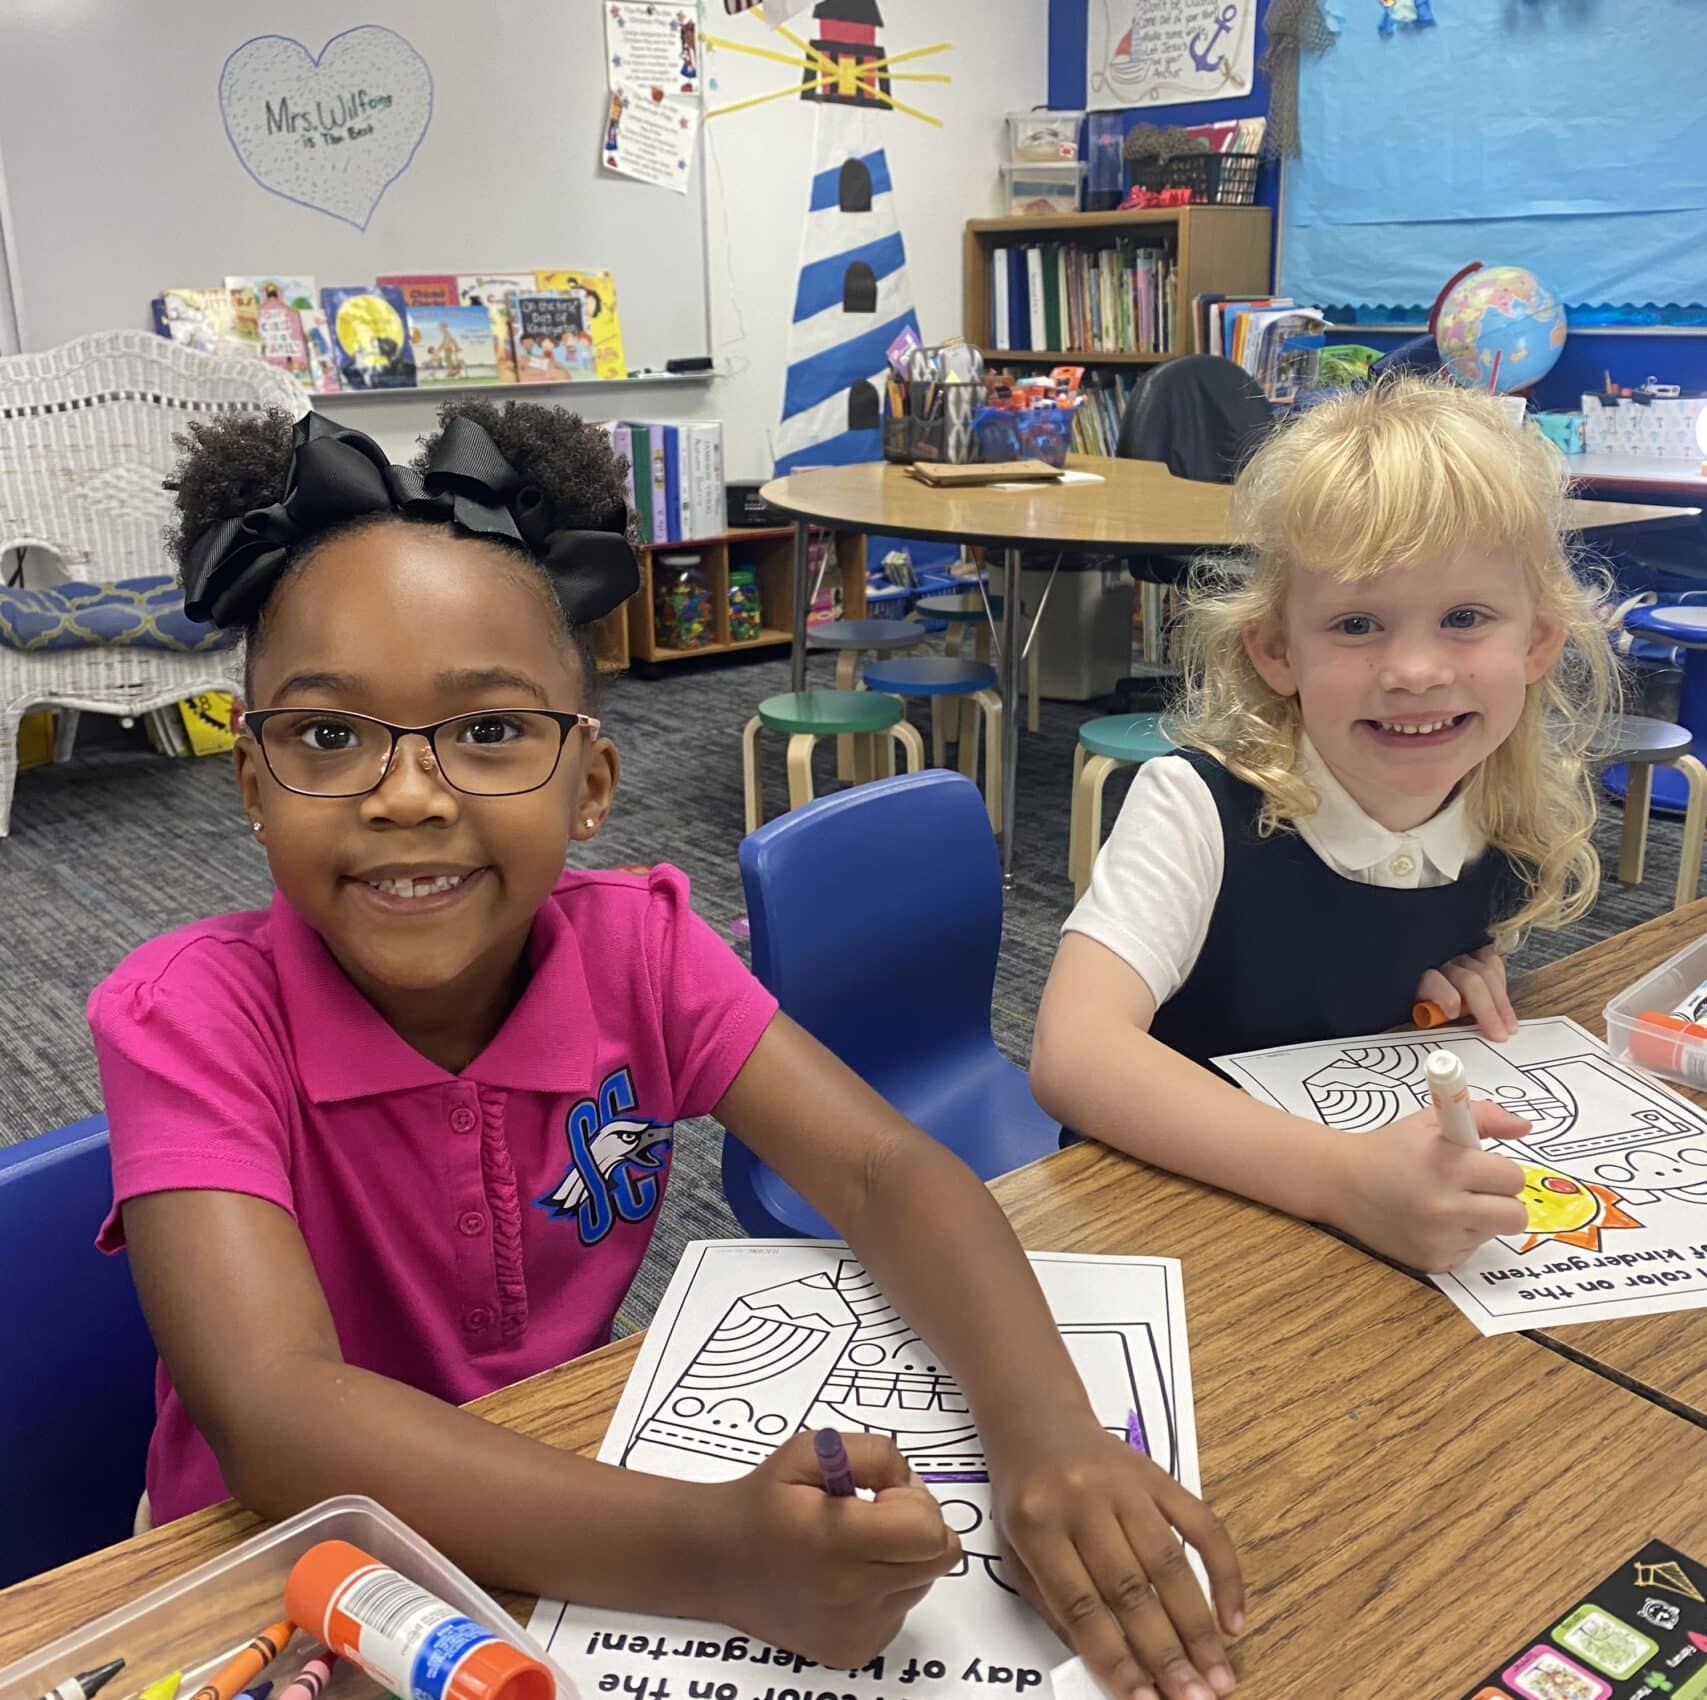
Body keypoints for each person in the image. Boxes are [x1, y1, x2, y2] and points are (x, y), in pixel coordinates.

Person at [93, 400, 1243, 1700]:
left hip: (561, 1499)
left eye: (486, 732)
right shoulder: (186, 1015)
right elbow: (276, 1416)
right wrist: (716, 1554)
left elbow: (882, 1172)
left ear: (591, 782)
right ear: (250, 784)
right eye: (326, 735)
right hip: (275, 1569)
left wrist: (1046, 1428)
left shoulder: (638, 949)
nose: (406, 794)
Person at [1032, 380, 1620, 1273]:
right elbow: (1074, 1055)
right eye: (1357, 625)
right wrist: (1346, 1179)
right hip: (1164, 1230)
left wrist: (1429, 981)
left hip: (1350, 1248)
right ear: (1277, 650)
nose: (1416, 671)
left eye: (1465, 619)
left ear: (1538, 640)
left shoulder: (1497, 812)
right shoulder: (1193, 809)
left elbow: (1345, 972)